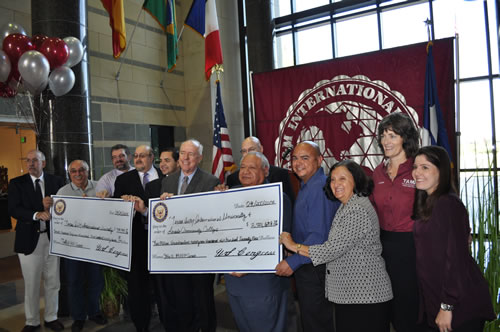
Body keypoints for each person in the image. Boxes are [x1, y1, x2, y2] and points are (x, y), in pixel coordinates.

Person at [281, 159, 393, 332]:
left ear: (356, 180)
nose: (336, 184)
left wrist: (293, 246)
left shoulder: (357, 209)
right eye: (332, 179)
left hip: (365, 295)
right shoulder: (346, 206)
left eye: (342, 179)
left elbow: (330, 250)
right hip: (351, 294)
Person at [412, 146, 495, 332]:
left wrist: (447, 306)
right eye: (415, 167)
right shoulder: (428, 204)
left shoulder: (448, 204)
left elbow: (456, 259)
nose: (417, 172)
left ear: (441, 171)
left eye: (425, 167)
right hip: (437, 302)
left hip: (458, 307)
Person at [218, 151, 292, 332]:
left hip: (262, 284)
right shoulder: (228, 194)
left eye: (252, 167)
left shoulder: (278, 199)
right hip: (234, 283)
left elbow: (276, 243)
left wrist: (249, 266)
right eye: (243, 167)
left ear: (266, 171)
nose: (245, 171)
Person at [275, 141, 340, 332]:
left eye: (305, 158)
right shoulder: (307, 185)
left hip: (314, 267)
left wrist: (293, 261)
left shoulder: (319, 188)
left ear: (320, 160)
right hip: (308, 263)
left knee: (316, 322)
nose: (298, 163)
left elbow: (318, 237)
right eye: (294, 158)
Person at [159, 139, 220, 332]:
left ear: (199, 158)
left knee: (203, 301)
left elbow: (213, 218)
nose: (185, 158)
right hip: (176, 254)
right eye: (183, 153)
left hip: (200, 254)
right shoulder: (168, 180)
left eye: (191, 154)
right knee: (182, 300)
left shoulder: (211, 181)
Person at [371, 112, 420, 332]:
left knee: (408, 310)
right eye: (383, 135)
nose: (385, 141)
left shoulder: (419, 169)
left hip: (412, 248)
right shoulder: (376, 173)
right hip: (382, 248)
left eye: (392, 135)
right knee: (384, 308)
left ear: (405, 138)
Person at [8, 150, 65, 332]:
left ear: (44, 163)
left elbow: (65, 207)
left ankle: (51, 317)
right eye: (28, 160)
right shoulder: (17, 183)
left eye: (35, 160)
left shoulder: (56, 182)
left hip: (53, 240)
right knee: (31, 283)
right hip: (29, 240)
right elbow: (14, 209)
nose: (31, 163)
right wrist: (36, 213)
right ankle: (31, 321)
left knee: (53, 281)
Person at [53, 160, 107, 332]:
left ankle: (94, 312)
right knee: (74, 282)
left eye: (81, 170)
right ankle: (78, 317)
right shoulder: (63, 192)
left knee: (96, 281)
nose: (78, 174)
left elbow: (110, 211)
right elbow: (59, 219)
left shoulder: (100, 187)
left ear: (88, 171)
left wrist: (105, 200)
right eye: (73, 171)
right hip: (73, 249)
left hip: (95, 246)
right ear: (69, 174)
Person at [113, 145, 162, 332]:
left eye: (143, 156)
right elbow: (117, 210)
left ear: (152, 157)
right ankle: (141, 326)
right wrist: (123, 204)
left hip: (160, 242)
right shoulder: (123, 180)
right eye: (136, 156)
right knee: (137, 288)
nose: (138, 159)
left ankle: (168, 320)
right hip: (135, 244)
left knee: (162, 286)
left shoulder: (165, 177)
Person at [226, 136, 295, 204]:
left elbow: (288, 203)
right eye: (244, 151)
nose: (248, 153)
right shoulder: (233, 179)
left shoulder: (280, 174)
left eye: (251, 149)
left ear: (261, 149)